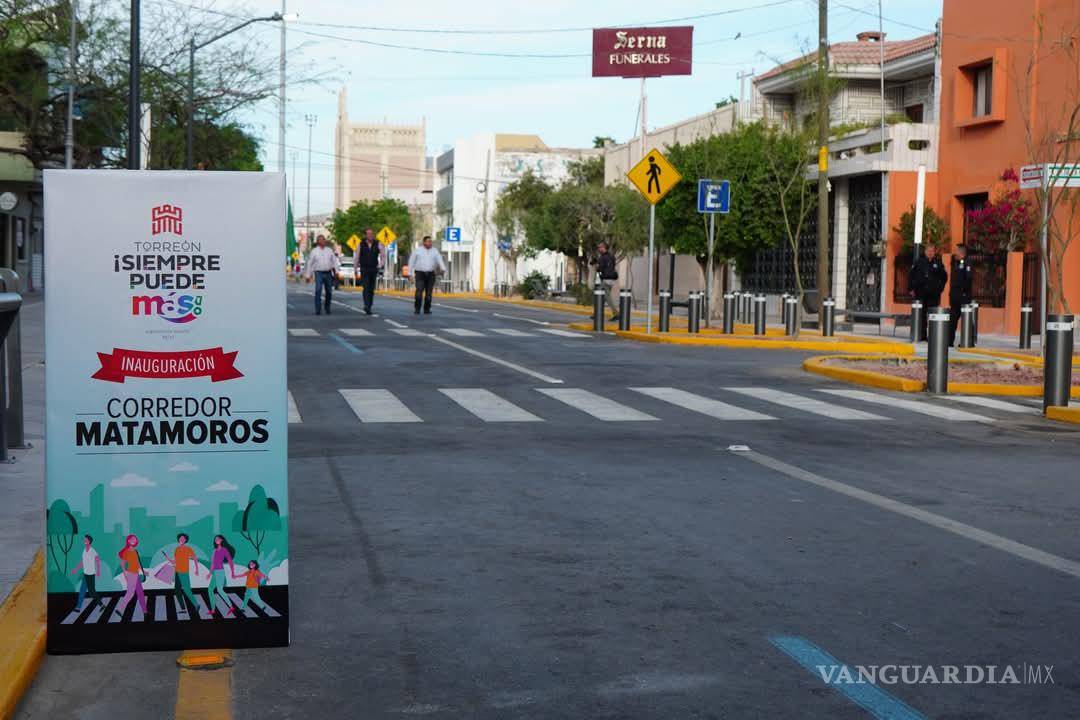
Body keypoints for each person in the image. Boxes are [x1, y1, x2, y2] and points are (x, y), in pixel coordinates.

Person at [909, 243, 948, 339]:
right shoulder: (919, 262)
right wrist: (911, 288)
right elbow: (911, 275)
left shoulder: (938, 263)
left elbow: (944, 277)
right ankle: (922, 335)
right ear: (925, 251)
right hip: (921, 293)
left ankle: (932, 335)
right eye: (928, 251)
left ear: (934, 252)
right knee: (921, 316)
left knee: (932, 315)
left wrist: (940, 288)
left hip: (933, 294)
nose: (930, 253)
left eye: (932, 251)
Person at [408, 235, 447, 315]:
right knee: (419, 291)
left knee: (429, 293)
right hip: (420, 273)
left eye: (431, 241)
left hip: (431, 274)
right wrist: (410, 274)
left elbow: (439, 259)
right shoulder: (417, 250)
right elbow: (411, 262)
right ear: (424, 242)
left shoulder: (435, 251)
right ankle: (417, 308)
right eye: (428, 241)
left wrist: (443, 268)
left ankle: (427, 309)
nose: (430, 243)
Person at [165, 533, 201, 616]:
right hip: (177, 572)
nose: (181, 539)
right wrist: (169, 559)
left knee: (186, 589)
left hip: (184, 572)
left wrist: (197, 569)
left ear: (185, 540)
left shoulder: (188, 549)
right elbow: (175, 562)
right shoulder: (176, 549)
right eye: (180, 538)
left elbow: (195, 558)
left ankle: (196, 604)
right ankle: (183, 608)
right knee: (177, 591)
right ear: (178, 539)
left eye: (183, 538)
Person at [114, 534, 148, 618]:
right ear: (128, 541)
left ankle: (144, 610)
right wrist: (125, 575)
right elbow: (122, 564)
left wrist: (144, 571)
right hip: (131, 574)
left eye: (135, 539)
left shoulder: (135, 551)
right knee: (130, 593)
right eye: (132, 539)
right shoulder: (126, 552)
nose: (134, 540)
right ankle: (120, 609)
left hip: (136, 574)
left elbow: (138, 563)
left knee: (140, 592)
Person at [306, 234, 339, 315]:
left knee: (329, 291)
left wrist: (336, 272)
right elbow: (310, 263)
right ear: (318, 242)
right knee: (318, 290)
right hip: (318, 273)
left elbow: (334, 261)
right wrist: (308, 275)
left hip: (328, 273)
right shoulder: (314, 251)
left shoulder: (329, 250)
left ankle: (327, 307)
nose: (323, 241)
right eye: (321, 240)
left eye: (323, 239)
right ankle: (318, 309)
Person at [354, 228, 385, 315]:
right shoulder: (361, 244)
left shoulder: (378, 244)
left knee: (371, 288)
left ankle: (369, 305)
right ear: (365, 235)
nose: (370, 235)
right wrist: (355, 269)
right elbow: (357, 257)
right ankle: (366, 305)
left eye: (371, 234)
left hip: (373, 269)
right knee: (366, 287)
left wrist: (380, 265)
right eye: (368, 234)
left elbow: (383, 255)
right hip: (364, 269)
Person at [71, 534, 104, 611]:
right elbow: (82, 562)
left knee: (92, 592)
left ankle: (101, 605)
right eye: (84, 540)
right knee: (82, 590)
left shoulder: (93, 551)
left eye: (86, 540)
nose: (84, 541)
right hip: (85, 574)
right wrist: (76, 569)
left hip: (91, 575)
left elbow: (98, 560)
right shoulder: (84, 551)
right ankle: (78, 607)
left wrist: (98, 570)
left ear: (89, 541)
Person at [948, 243, 974, 346]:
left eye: (957, 251)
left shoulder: (967, 263)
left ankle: (968, 341)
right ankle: (949, 341)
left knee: (966, 319)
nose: (955, 253)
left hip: (963, 297)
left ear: (961, 252)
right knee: (952, 319)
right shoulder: (956, 263)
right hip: (955, 297)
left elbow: (968, 279)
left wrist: (964, 292)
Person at [207, 534, 237, 617]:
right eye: (215, 539)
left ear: (222, 540)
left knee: (220, 590)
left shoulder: (224, 550)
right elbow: (213, 563)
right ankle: (213, 609)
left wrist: (233, 572)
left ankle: (231, 606)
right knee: (210, 590)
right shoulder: (214, 551)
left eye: (218, 539)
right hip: (215, 573)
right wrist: (210, 573)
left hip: (220, 572)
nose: (216, 540)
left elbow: (230, 562)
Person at [590, 242, 619, 321]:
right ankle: (596, 313)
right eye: (598, 247)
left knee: (606, 297)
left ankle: (616, 313)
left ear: (604, 248)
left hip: (606, 279)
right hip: (611, 279)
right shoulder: (611, 256)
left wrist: (595, 265)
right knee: (602, 297)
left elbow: (600, 269)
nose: (599, 249)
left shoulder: (603, 257)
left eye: (600, 247)